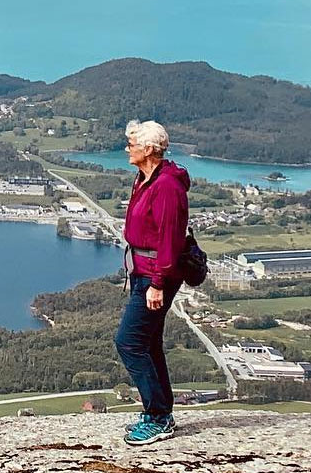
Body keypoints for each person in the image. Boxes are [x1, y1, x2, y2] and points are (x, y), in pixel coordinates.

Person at [114, 119, 189, 446]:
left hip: (155, 274)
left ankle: (158, 416)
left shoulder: (167, 187)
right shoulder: (145, 178)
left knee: (129, 342)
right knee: (148, 343)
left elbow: (170, 240)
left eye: (131, 144)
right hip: (143, 270)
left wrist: (158, 282)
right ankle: (161, 412)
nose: (127, 149)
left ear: (148, 149)